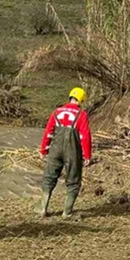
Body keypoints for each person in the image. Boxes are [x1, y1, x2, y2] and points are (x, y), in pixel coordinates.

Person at [39, 87, 92, 218]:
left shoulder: (56, 112)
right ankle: (67, 212)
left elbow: (48, 132)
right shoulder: (81, 114)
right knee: (73, 181)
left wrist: (43, 150)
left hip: (55, 150)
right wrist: (87, 155)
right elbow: (85, 136)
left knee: (49, 178)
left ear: (70, 97)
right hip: (72, 151)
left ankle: (42, 209)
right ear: (81, 100)